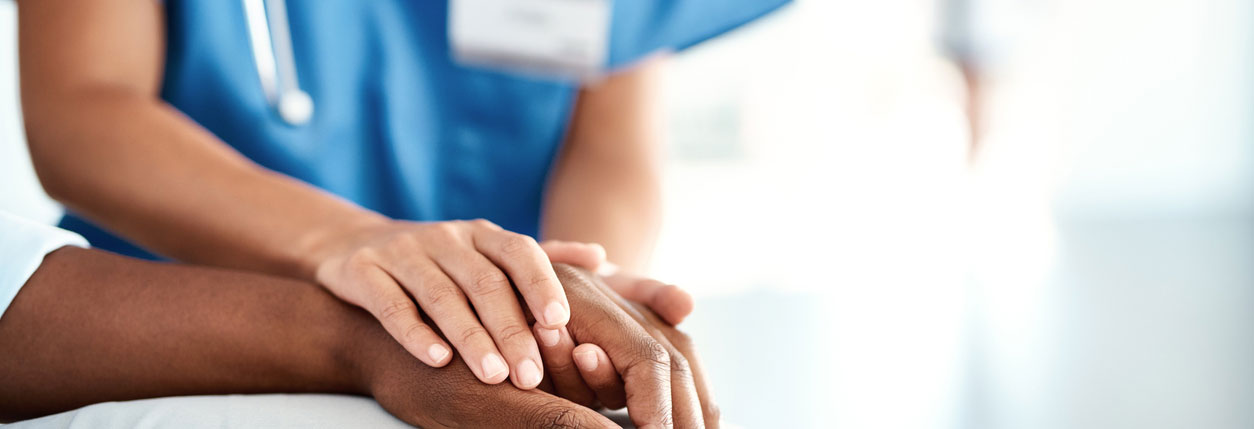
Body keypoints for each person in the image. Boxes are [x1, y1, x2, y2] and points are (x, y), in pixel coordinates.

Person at [16, 0, 789, 390]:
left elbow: (609, 141)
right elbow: (84, 110)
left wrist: (565, 301)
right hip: (169, 334)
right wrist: (341, 240)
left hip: (479, 348)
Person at [0, 210, 717, 428]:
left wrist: (557, 305)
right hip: (163, 304)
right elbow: (87, 103)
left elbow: (613, 114)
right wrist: (366, 317)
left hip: (483, 330)